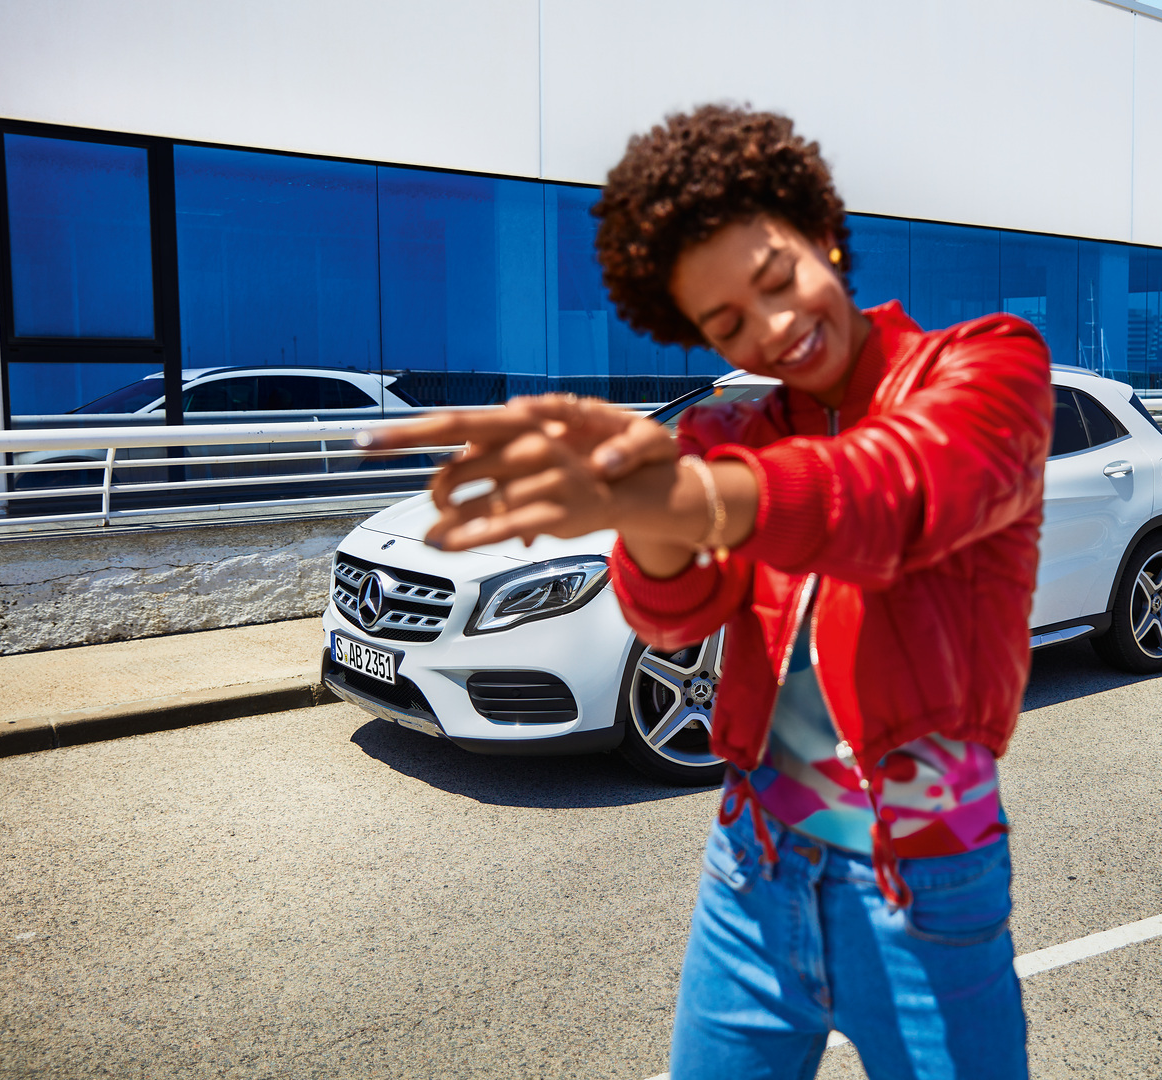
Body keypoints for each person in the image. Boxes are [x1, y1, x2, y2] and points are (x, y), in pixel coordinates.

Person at [366, 104, 1053, 1079]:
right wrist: (643, 510)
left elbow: (892, 492)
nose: (772, 328)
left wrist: (689, 493)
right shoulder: (727, 439)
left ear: (820, 232)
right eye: (727, 322)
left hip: (927, 882)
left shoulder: (987, 364)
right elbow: (672, 614)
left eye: (776, 278)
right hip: (750, 870)